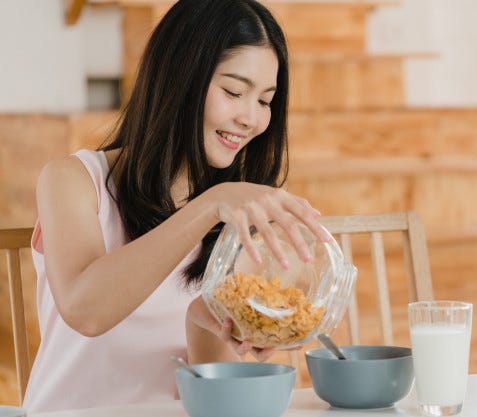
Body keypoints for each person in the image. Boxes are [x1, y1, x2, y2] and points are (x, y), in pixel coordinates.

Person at [22, 0, 332, 412]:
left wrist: (202, 323)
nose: (251, 119)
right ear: (179, 78)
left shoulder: (233, 213)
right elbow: (85, 310)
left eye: (264, 100)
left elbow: (215, 395)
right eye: (234, 92)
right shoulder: (74, 180)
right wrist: (208, 206)